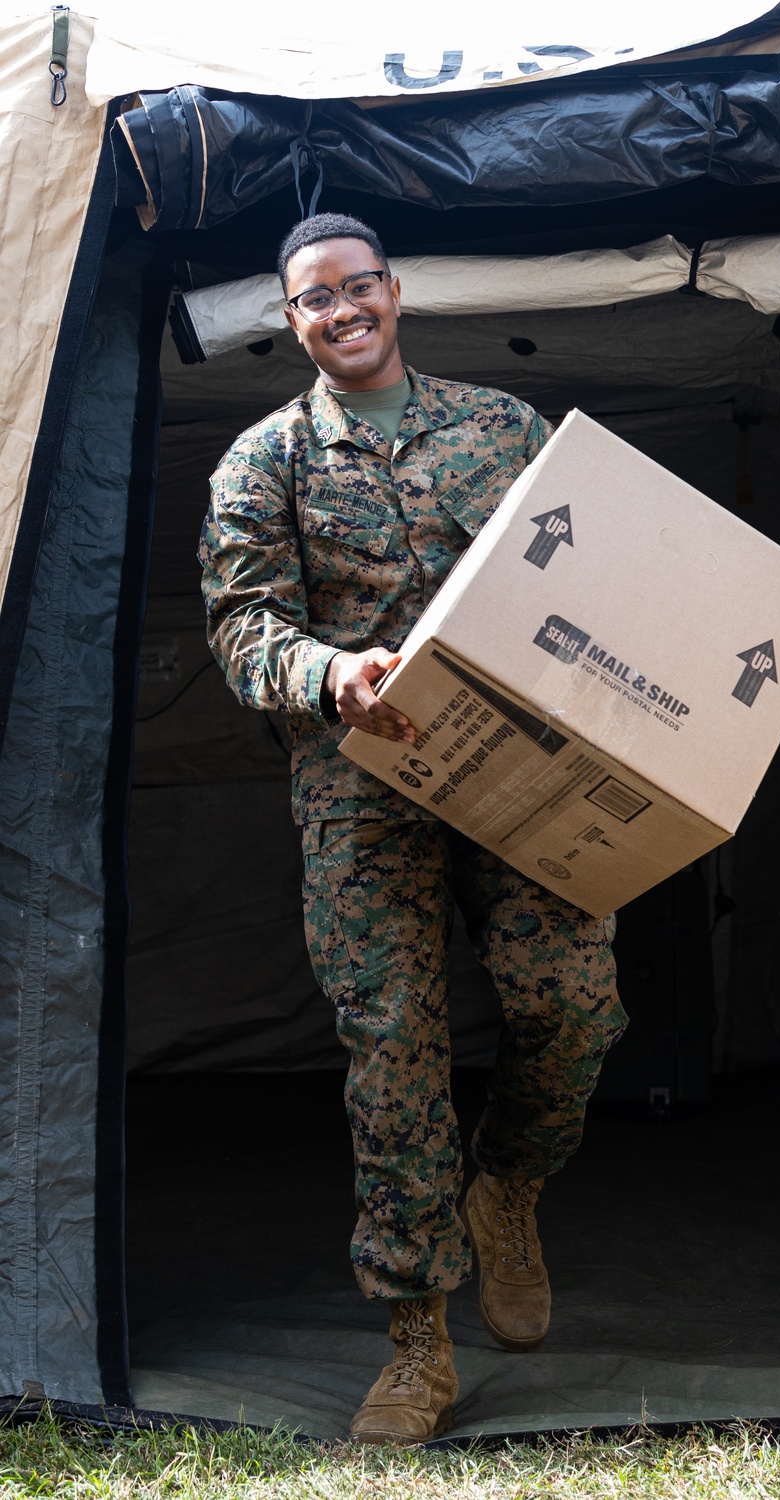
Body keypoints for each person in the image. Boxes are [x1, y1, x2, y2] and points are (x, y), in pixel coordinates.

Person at [199, 212, 627, 1444]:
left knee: (573, 1004)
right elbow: (240, 628)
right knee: (392, 1049)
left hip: (513, 764)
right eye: (313, 300)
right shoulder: (263, 461)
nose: (341, 311)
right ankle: (416, 1343)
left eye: (357, 286)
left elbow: (593, 574)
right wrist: (331, 674)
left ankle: (510, 1187)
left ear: (395, 291)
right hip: (360, 784)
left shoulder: (504, 428)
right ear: (291, 322)